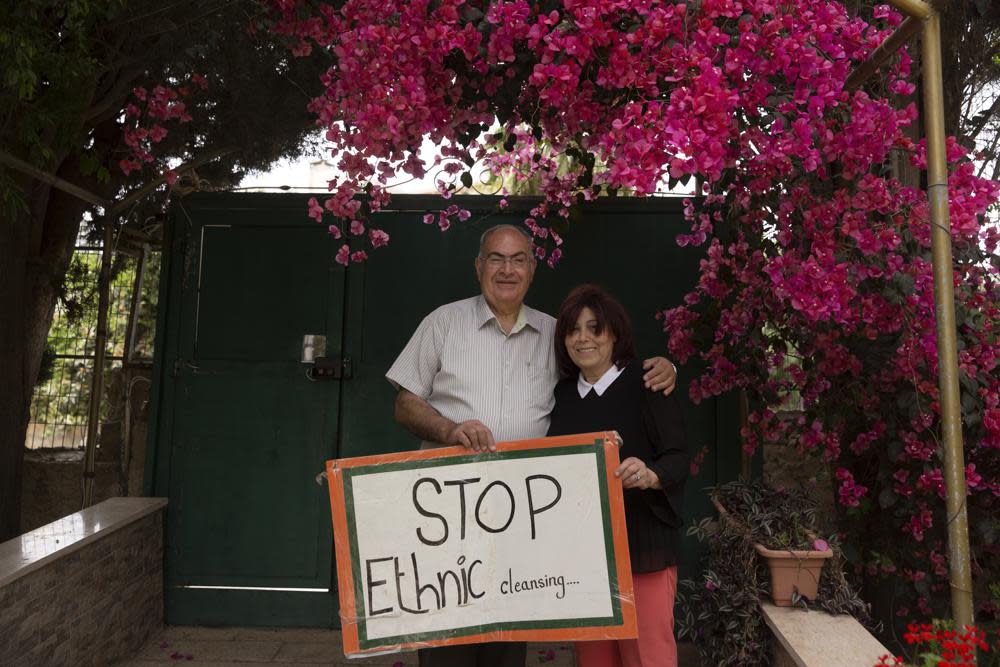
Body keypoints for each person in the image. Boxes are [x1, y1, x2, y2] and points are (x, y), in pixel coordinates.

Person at [386, 224, 678, 667]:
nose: (507, 269)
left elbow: (600, 375)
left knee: (508, 639)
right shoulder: (442, 323)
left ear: (532, 269)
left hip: (520, 520)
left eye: (518, 259)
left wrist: (663, 368)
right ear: (478, 266)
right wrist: (449, 430)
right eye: (496, 258)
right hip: (451, 513)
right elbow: (405, 403)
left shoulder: (554, 335)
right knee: (447, 643)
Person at [547, 284, 687, 667]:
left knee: (649, 658)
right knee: (594, 660)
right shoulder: (560, 395)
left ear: (615, 333)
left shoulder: (647, 383)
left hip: (643, 546)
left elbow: (677, 458)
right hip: (584, 556)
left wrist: (651, 474)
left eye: (595, 328)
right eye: (573, 330)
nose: (584, 338)